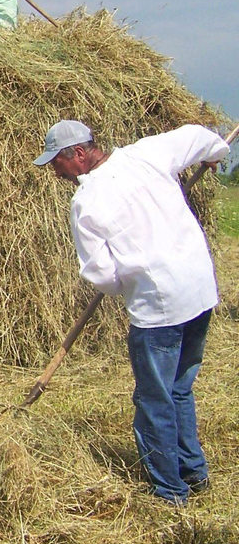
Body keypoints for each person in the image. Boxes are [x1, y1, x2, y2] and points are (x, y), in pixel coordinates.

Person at [34, 120, 230, 503]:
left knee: (154, 400)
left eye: (57, 162)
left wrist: (126, 284)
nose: (55, 173)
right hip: (199, 292)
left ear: (78, 153)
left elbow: (103, 274)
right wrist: (215, 155)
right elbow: (199, 137)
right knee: (178, 390)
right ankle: (195, 473)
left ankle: (170, 492)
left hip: (160, 310)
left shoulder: (86, 202)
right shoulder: (147, 152)